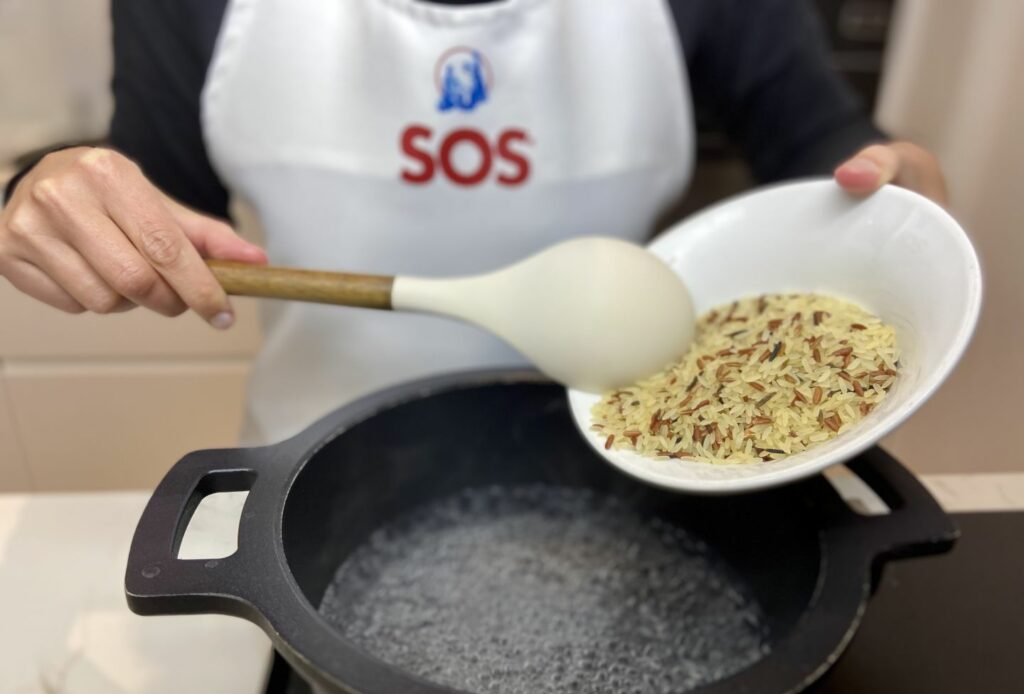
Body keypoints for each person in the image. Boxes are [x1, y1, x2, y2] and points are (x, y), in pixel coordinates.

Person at [0, 0, 947, 444]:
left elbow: (831, 147)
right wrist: (42, 202)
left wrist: (899, 192)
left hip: (630, 451)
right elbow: (144, 199)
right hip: (312, 464)